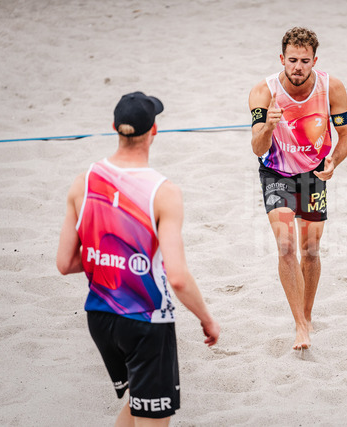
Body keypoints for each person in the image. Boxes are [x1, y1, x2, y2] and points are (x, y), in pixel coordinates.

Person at [56, 91, 220, 426]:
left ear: (114, 127)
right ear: (154, 130)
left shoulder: (83, 182)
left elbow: (65, 263)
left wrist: (111, 257)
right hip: (145, 319)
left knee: (137, 404)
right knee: (151, 414)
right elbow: (177, 277)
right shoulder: (164, 192)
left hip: (100, 316)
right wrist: (206, 318)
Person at [248, 27, 347, 350]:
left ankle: (307, 316)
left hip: (312, 174)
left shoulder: (332, 87)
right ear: (282, 59)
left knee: (310, 251)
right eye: (292, 60)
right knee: (285, 247)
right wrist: (268, 126)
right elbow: (257, 147)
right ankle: (299, 326)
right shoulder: (263, 92)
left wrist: (334, 161)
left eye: (304, 61)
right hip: (276, 172)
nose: (297, 67)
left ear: (314, 61)